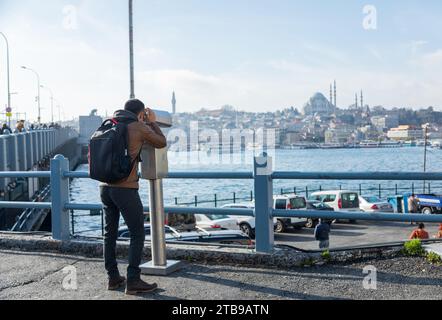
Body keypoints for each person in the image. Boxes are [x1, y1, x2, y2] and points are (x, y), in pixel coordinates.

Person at [100, 99, 167, 295]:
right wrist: (152, 122)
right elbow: (161, 142)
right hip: (125, 188)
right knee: (137, 233)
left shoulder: (109, 123)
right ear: (140, 113)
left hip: (104, 186)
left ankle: (113, 278)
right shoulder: (138, 126)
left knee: (109, 233)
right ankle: (133, 280)